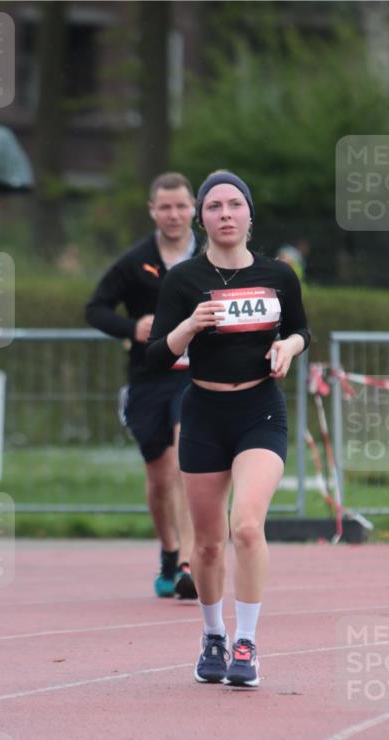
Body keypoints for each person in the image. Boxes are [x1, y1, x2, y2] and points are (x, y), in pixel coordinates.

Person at [146, 171, 310, 687]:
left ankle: (247, 642)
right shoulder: (183, 281)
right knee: (210, 544)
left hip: (260, 410)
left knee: (246, 526)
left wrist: (288, 347)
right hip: (203, 414)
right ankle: (213, 635)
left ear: (249, 215)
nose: (224, 214)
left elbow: (303, 329)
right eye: (214, 206)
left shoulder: (279, 275)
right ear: (202, 217)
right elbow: (155, 356)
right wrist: (190, 326)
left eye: (234, 205)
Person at [86, 172, 199, 599]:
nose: (174, 214)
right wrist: (132, 327)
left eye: (181, 206)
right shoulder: (135, 261)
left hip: (196, 377)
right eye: (165, 207)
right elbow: (94, 309)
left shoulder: (211, 257)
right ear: (153, 211)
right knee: (161, 476)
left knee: (188, 463)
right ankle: (170, 552)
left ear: (194, 209)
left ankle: (189, 564)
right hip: (149, 378)